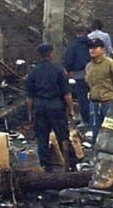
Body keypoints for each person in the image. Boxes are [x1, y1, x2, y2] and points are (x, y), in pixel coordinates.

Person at [25, 43, 75, 172]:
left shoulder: (33, 72)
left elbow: (29, 97)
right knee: (62, 135)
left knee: (42, 136)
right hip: (56, 105)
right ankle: (70, 162)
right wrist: (71, 109)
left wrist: (30, 113)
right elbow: (66, 93)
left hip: (40, 106)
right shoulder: (58, 70)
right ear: (51, 54)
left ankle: (45, 165)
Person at [85, 37, 113, 143]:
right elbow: (88, 83)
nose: (92, 50)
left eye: (95, 48)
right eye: (90, 48)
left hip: (108, 101)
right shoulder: (89, 66)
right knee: (95, 129)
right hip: (94, 102)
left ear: (102, 49)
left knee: (109, 130)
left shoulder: (110, 63)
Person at [62, 26, 91, 126]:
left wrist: (68, 70)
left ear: (76, 33)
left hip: (79, 74)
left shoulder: (73, 46)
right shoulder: (92, 43)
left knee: (82, 98)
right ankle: (97, 118)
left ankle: (86, 120)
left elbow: (68, 60)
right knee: (96, 97)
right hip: (94, 73)